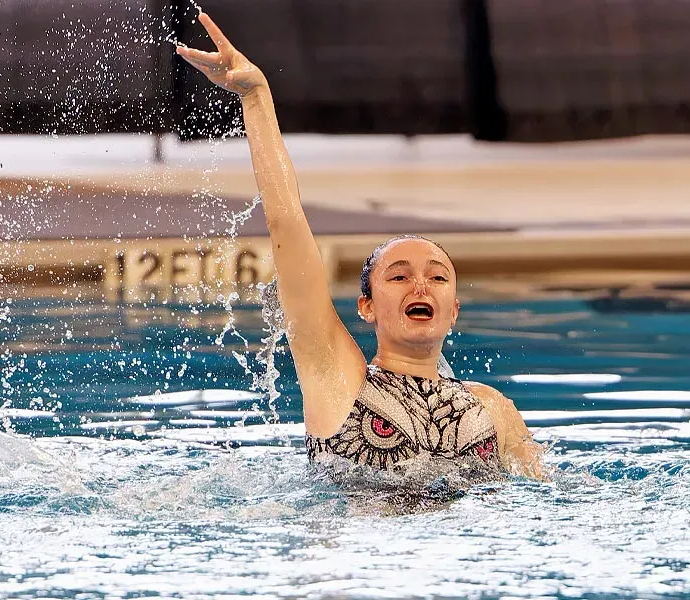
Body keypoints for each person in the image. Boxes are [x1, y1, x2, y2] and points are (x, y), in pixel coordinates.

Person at [177, 13, 547, 479]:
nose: (420, 284)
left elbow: (547, 499)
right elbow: (286, 222)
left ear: (454, 309)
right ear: (366, 307)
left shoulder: (494, 411)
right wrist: (256, 98)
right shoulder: (338, 378)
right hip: (368, 547)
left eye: (437, 276)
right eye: (398, 276)